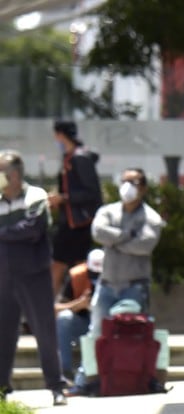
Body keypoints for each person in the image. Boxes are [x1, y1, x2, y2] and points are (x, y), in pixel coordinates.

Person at [0, 150, 67, 406]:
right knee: (3, 335)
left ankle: (56, 387)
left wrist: (2, 231)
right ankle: (2, 389)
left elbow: (33, 229)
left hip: (33, 275)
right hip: (3, 277)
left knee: (44, 332)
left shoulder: (35, 196)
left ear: (14, 174)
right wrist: (9, 232)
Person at [89, 167, 164, 336]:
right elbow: (98, 232)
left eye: (133, 182)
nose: (127, 186)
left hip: (134, 287)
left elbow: (144, 245)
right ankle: (95, 364)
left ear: (143, 188)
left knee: (131, 335)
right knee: (98, 334)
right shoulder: (107, 211)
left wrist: (114, 242)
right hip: (106, 286)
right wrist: (127, 235)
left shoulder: (151, 218)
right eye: (124, 182)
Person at [49, 120, 103, 296]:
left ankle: (75, 307)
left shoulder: (79, 158)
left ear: (60, 135)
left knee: (73, 266)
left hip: (79, 224)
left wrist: (64, 199)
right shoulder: (69, 157)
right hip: (70, 222)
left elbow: (92, 192)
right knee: (64, 265)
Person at [54, 248, 104, 381]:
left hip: (105, 325)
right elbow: (56, 309)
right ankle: (65, 371)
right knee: (64, 318)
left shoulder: (115, 276)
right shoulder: (76, 275)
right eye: (93, 274)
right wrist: (78, 304)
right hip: (83, 323)